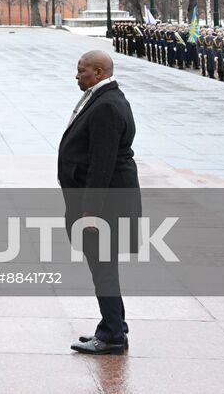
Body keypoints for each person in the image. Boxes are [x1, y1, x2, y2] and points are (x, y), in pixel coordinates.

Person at [61, 50, 140, 356]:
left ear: (98, 72)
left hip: (104, 207)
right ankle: (115, 326)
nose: (76, 75)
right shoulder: (104, 96)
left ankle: (112, 335)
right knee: (103, 268)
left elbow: (102, 164)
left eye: (81, 71)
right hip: (105, 202)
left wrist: (91, 211)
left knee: (103, 269)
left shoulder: (107, 105)